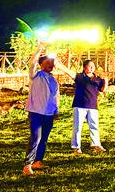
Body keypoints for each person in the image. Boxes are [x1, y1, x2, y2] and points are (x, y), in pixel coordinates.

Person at [22, 44, 72, 175]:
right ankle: (27, 164)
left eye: (51, 62)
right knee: (36, 137)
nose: (50, 64)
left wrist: (56, 111)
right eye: (47, 62)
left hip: (49, 114)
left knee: (43, 138)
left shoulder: (53, 79)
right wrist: (40, 48)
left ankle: (38, 161)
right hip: (36, 112)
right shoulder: (36, 75)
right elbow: (32, 62)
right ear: (41, 64)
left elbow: (55, 96)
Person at [70, 60, 107, 154]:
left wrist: (106, 81)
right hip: (80, 105)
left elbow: (102, 90)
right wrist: (58, 64)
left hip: (93, 106)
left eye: (93, 66)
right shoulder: (79, 77)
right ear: (84, 67)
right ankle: (76, 147)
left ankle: (96, 144)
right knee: (77, 127)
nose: (91, 68)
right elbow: (68, 72)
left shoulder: (98, 79)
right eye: (89, 66)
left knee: (94, 126)